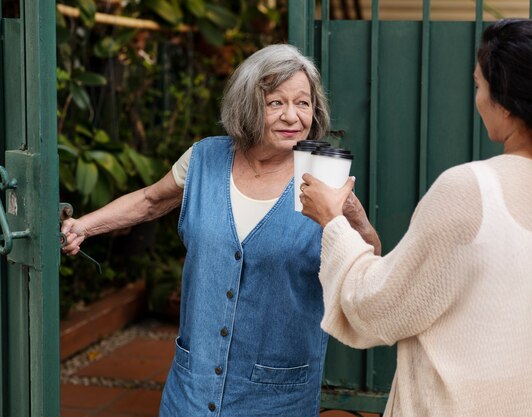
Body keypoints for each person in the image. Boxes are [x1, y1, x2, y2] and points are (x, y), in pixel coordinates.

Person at [299, 19, 532, 417]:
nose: (477, 98)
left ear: (504, 101)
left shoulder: (470, 190)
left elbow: (375, 308)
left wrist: (333, 222)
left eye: (479, 85)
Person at [61, 43, 380, 417]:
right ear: (247, 104)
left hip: (276, 395)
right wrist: (84, 226)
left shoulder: (322, 175)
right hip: (193, 388)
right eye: (276, 102)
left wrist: (352, 214)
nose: (292, 116)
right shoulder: (204, 159)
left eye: (303, 103)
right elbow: (151, 201)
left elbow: (369, 263)